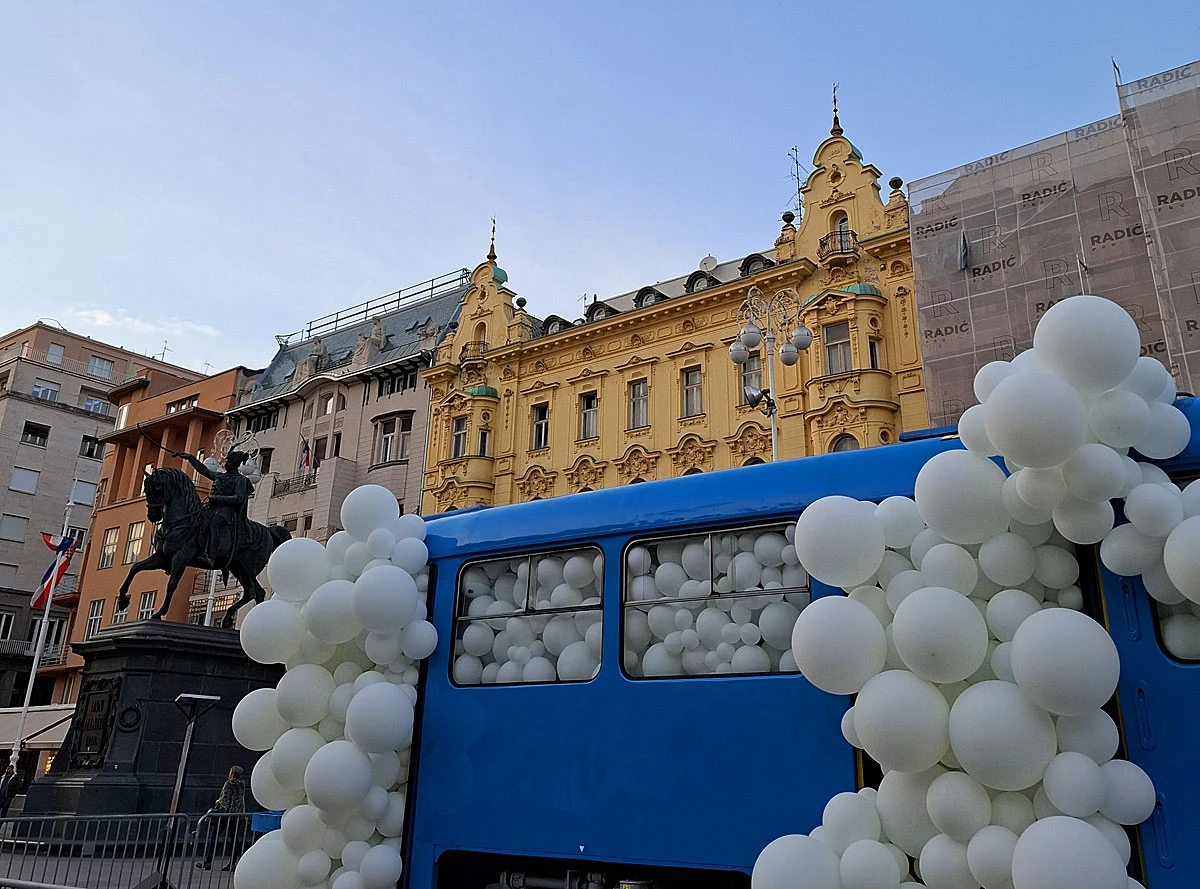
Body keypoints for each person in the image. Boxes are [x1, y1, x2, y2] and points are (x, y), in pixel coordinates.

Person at [173, 449, 256, 583]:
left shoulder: (240, 480)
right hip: (213, 509)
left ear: (235, 463)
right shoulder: (220, 476)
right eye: (227, 460)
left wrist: (218, 498)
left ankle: (210, 557)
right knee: (196, 521)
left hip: (228, 513)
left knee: (214, 524)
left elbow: (239, 498)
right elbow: (205, 471)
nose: (226, 462)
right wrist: (190, 458)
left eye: (229, 460)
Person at [197, 765, 246, 871]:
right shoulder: (242, 784)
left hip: (226, 815)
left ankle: (208, 861)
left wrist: (217, 802)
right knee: (234, 839)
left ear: (232, 773)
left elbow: (225, 799)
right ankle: (233, 863)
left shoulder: (228, 783)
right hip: (237, 816)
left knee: (214, 837)